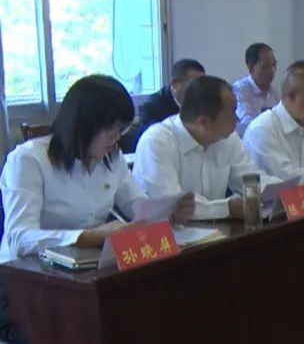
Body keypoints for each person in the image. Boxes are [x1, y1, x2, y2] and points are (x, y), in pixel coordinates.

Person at [0, 76, 195, 342]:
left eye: (122, 130)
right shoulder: (29, 160)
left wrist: (168, 211)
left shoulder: (111, 158)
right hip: (25, 285)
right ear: (83, 124)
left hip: (84, 275)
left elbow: (136, 205)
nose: (117, 140)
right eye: (111, 130)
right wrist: (88, 236)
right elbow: (19, 237)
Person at [134, 76, 276, 221]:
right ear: (204, 122)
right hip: (170, 232)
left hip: (215, 230)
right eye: (232, 112)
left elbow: (251, 178)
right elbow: (173, 205)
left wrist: (283, 191)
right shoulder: (157, 142)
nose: (237, 119)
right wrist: (227, 208)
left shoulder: (227, 138)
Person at [120, 58, 206, 152]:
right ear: (175, 84)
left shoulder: (202, 102)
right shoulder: (153, 106)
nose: (200, 90)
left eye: (203, 85)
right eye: (194, 85)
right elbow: (153, 141)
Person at [233, 43, 279, 137]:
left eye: (274, 65)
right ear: (251, 67)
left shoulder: (274, 91)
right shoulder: (240, 89)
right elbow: (246, 122)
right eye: (265, 66)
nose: (272, 71)